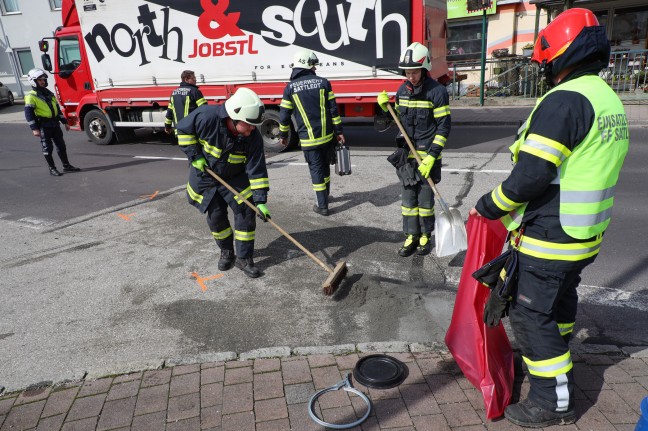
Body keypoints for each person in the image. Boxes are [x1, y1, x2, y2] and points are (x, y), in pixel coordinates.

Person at [469, 9, 629, 427]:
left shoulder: (565, 100)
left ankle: (552, 399)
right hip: (584, 234)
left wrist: (490, 204)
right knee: (558, 304)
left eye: (545, 63)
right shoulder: (605, 97)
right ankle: (553, 358)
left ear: (561, 57)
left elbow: (532, 175)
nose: (544, 72)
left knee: (528, 314)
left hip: (551, 236)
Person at [175, 87, 270, 278]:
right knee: (216, 217)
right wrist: (195, 156)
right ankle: (227, 252)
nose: (253, 129)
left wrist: (260, 201)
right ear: (233, 118)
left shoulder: (252, 138)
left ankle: (244, 259)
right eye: (249, 124)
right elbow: (183, 131)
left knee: (246, 211)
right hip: (207, 176)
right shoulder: (206, 117)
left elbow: (256, 170)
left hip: (235, 177)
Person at [376, 42, 451, 256]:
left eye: (415, 72)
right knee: (408, 200)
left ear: (424, 68)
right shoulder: (402, 91)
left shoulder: (437, 92)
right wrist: (385, 109)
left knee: (426, 201)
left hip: (428, 157)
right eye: (407, 72)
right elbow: (399, 121)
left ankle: (425, 236)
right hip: (407, 157)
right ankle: (411, 235)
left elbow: (444, 128)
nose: (411, 77)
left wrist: (432, 158)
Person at [278, 49, 345, 216]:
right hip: (327, 137)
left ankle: (322, 206)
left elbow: (284, 115)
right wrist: (339, 132)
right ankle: (326, 196)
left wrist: (283, 136)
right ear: (307, 65)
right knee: (325, 167)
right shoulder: (324, 83)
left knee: (316, 170)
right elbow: (333, 111)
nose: (315, 69)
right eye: (313, 66)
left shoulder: (290, 88)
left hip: (309, 140)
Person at [24, 68, 80, 176]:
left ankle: (66, 166)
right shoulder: (31, 96)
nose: (43, 81)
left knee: (61, 146)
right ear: (33, 81)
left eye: (44, 79)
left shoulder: (49, 93)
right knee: (47, 148)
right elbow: (28, 114)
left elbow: (57, 109)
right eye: (40, 80)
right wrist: (34, 129)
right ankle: (52, 168)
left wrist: (64, 122)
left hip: (55, 123)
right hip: (44, 125)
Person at [164, 70, 207, 135]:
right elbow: (204, 110)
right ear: (186, 79)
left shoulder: (174, 93)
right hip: (192, 130)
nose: (196, 80)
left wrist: (167, 126)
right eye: (193, 78)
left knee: (183, 145)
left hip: (179, 131)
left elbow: (169, 112)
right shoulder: (194, 91)